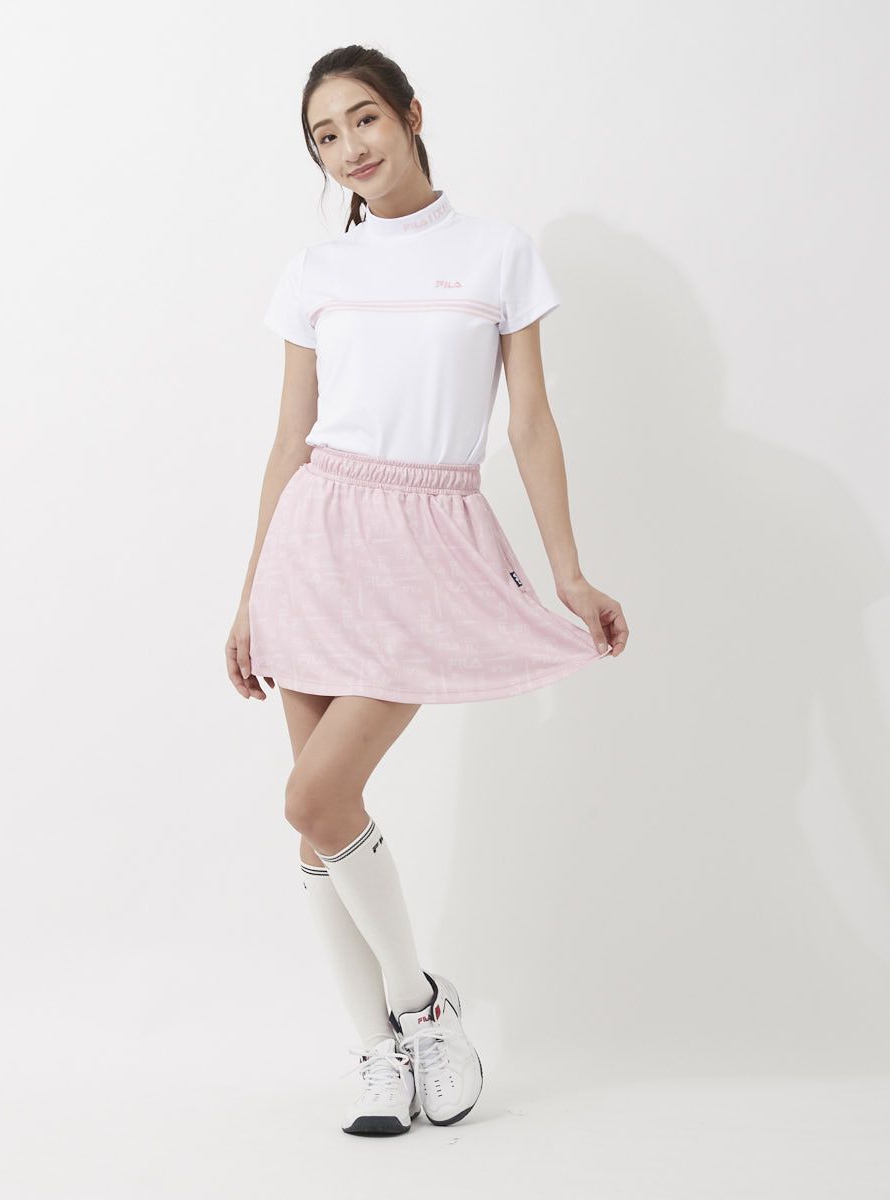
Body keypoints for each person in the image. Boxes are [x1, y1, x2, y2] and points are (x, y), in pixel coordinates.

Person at [227, 45, 629, 1137]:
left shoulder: (498, 254)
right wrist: (250, 592)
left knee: (315, 799)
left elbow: (530, 423)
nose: (349, 148)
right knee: (318, 820)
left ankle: (422, 1006)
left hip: (428, 541)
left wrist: (567, 570)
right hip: (316, 538)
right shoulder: (316, 272)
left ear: (411, 113)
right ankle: (379, 1053)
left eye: (363, 119)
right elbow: (288, 439)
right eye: (324, 136)